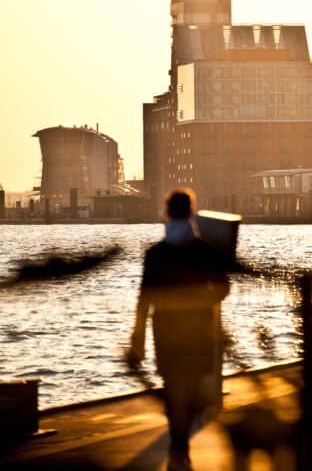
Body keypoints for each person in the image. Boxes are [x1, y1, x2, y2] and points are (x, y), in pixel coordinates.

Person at [128, 188, 230, 471]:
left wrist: (138, 339)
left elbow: (144, 299)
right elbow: (223, 289)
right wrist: (200, 303)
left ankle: (178, 445)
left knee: (173, 386)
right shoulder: (206, 251)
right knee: (193, 384)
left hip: (166, 330)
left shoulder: (156, 254)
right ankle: (181, 445)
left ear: (166, 213)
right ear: (191, 212)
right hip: (199, 329)